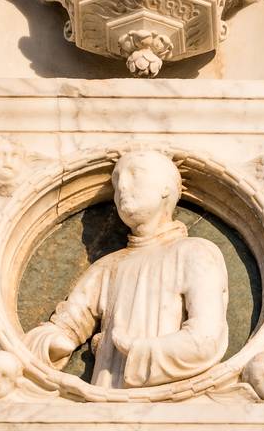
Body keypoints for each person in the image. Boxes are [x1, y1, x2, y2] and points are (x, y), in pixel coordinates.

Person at [25, 150, 229, 389]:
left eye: (135, 174)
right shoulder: (107, 267)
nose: (121, 186)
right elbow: (66, 325)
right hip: (105, 401)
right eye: (116, 180)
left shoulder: (195, 252)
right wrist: (54, 342)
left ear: (165, 187)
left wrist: (136, 350)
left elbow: (206, 339)